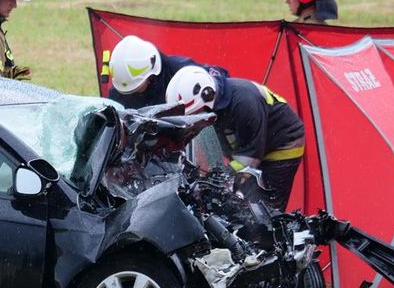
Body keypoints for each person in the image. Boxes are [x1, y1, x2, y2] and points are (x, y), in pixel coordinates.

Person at [166, 65, 306, 211]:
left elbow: (250, 157)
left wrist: (223, 178)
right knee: (236, 198)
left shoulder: (244, 102)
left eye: (195, 114)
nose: (194, 121)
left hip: (283, 144)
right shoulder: (213, 103)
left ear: (208, 96)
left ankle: (269, 228)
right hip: (251, 145)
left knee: (264, 208)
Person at [107, 35, 205, 109]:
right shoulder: (123, 86)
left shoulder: (179, 71)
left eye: (137, 87)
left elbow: (216, 77)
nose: (133, 92)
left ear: (150, 74)